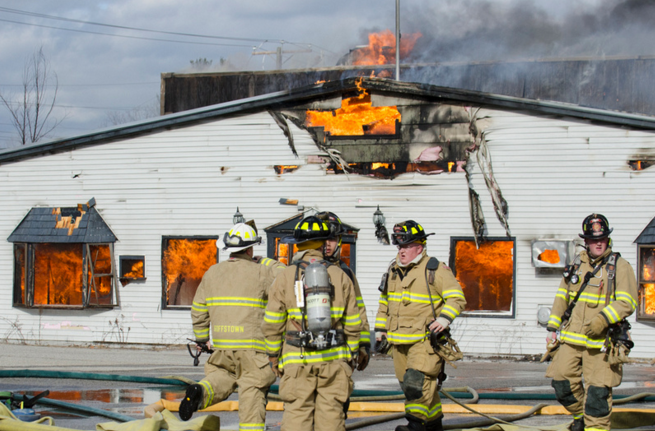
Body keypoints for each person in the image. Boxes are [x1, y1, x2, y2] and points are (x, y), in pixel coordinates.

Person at [180, 222, 286, 430]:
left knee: (222, 376)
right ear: (250, 248)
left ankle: (200, 392)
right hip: (253, 352)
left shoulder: (212, 273)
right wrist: (265, 261)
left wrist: (202, 339)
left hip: (222, 348)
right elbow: (286, 276)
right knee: (252, 391)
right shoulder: (261, 272)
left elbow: (198, 308)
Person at [262, 215, 363, 431]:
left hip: (297, 360)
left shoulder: (285, 276)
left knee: (297, 415)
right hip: (334, 360)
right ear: (322, 243)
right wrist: (353, 353)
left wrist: (273, 356)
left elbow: (272, 323)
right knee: (331, 418)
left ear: (297, 244)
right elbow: (354, 321)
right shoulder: (340, 275)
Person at [545, 214, 638, 431]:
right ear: (585, 241)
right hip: (571, 339)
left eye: (602, 238)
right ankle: (581, 417)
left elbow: (628, 301)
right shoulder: (577, 264)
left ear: (607, 239)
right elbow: (562, 297)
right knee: (561, 382)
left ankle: (594, 427)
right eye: (593, 239)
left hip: (602, 342)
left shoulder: (619, 266)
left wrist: (602, 320)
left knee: (598, 394)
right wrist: (552, 327)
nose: (598, 242)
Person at [375, 220, 466, 431]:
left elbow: (456, 298)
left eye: (406, 246)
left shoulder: (435, 269)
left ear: (420, 246)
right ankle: (433, 425)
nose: (402, 251)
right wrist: (380, 331)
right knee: (417, 388)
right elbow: (384, 304)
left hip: (424, 342)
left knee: (416, 385)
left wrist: (444, 319)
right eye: (399, 246)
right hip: (398, 342)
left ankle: (414, 426)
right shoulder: (393, 270)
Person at [317, 211, 371, 371]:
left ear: (339, 241)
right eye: (323, 238)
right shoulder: (298, 269)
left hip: (338, 351)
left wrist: (364, 344)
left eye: (332, 239)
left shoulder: (346, 273)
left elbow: (359, 310)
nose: (327, 244)